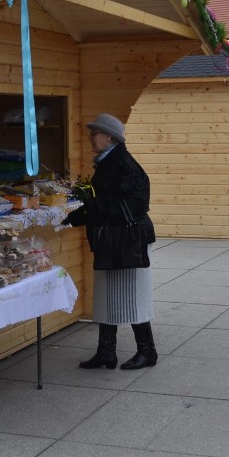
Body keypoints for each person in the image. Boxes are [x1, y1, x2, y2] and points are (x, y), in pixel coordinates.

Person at [63, 114, 158, 370]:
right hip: (112, 244)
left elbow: (136, 204)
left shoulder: (124, 164)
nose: (91, 138)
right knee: (106, 297)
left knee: (133, 296)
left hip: (129, 243)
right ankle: (106, 352)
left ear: (109, 137)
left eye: (94, 134)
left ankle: (147, 351)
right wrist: (72, 217)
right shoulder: (107, 163)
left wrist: (91, 202)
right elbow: (101, 204)